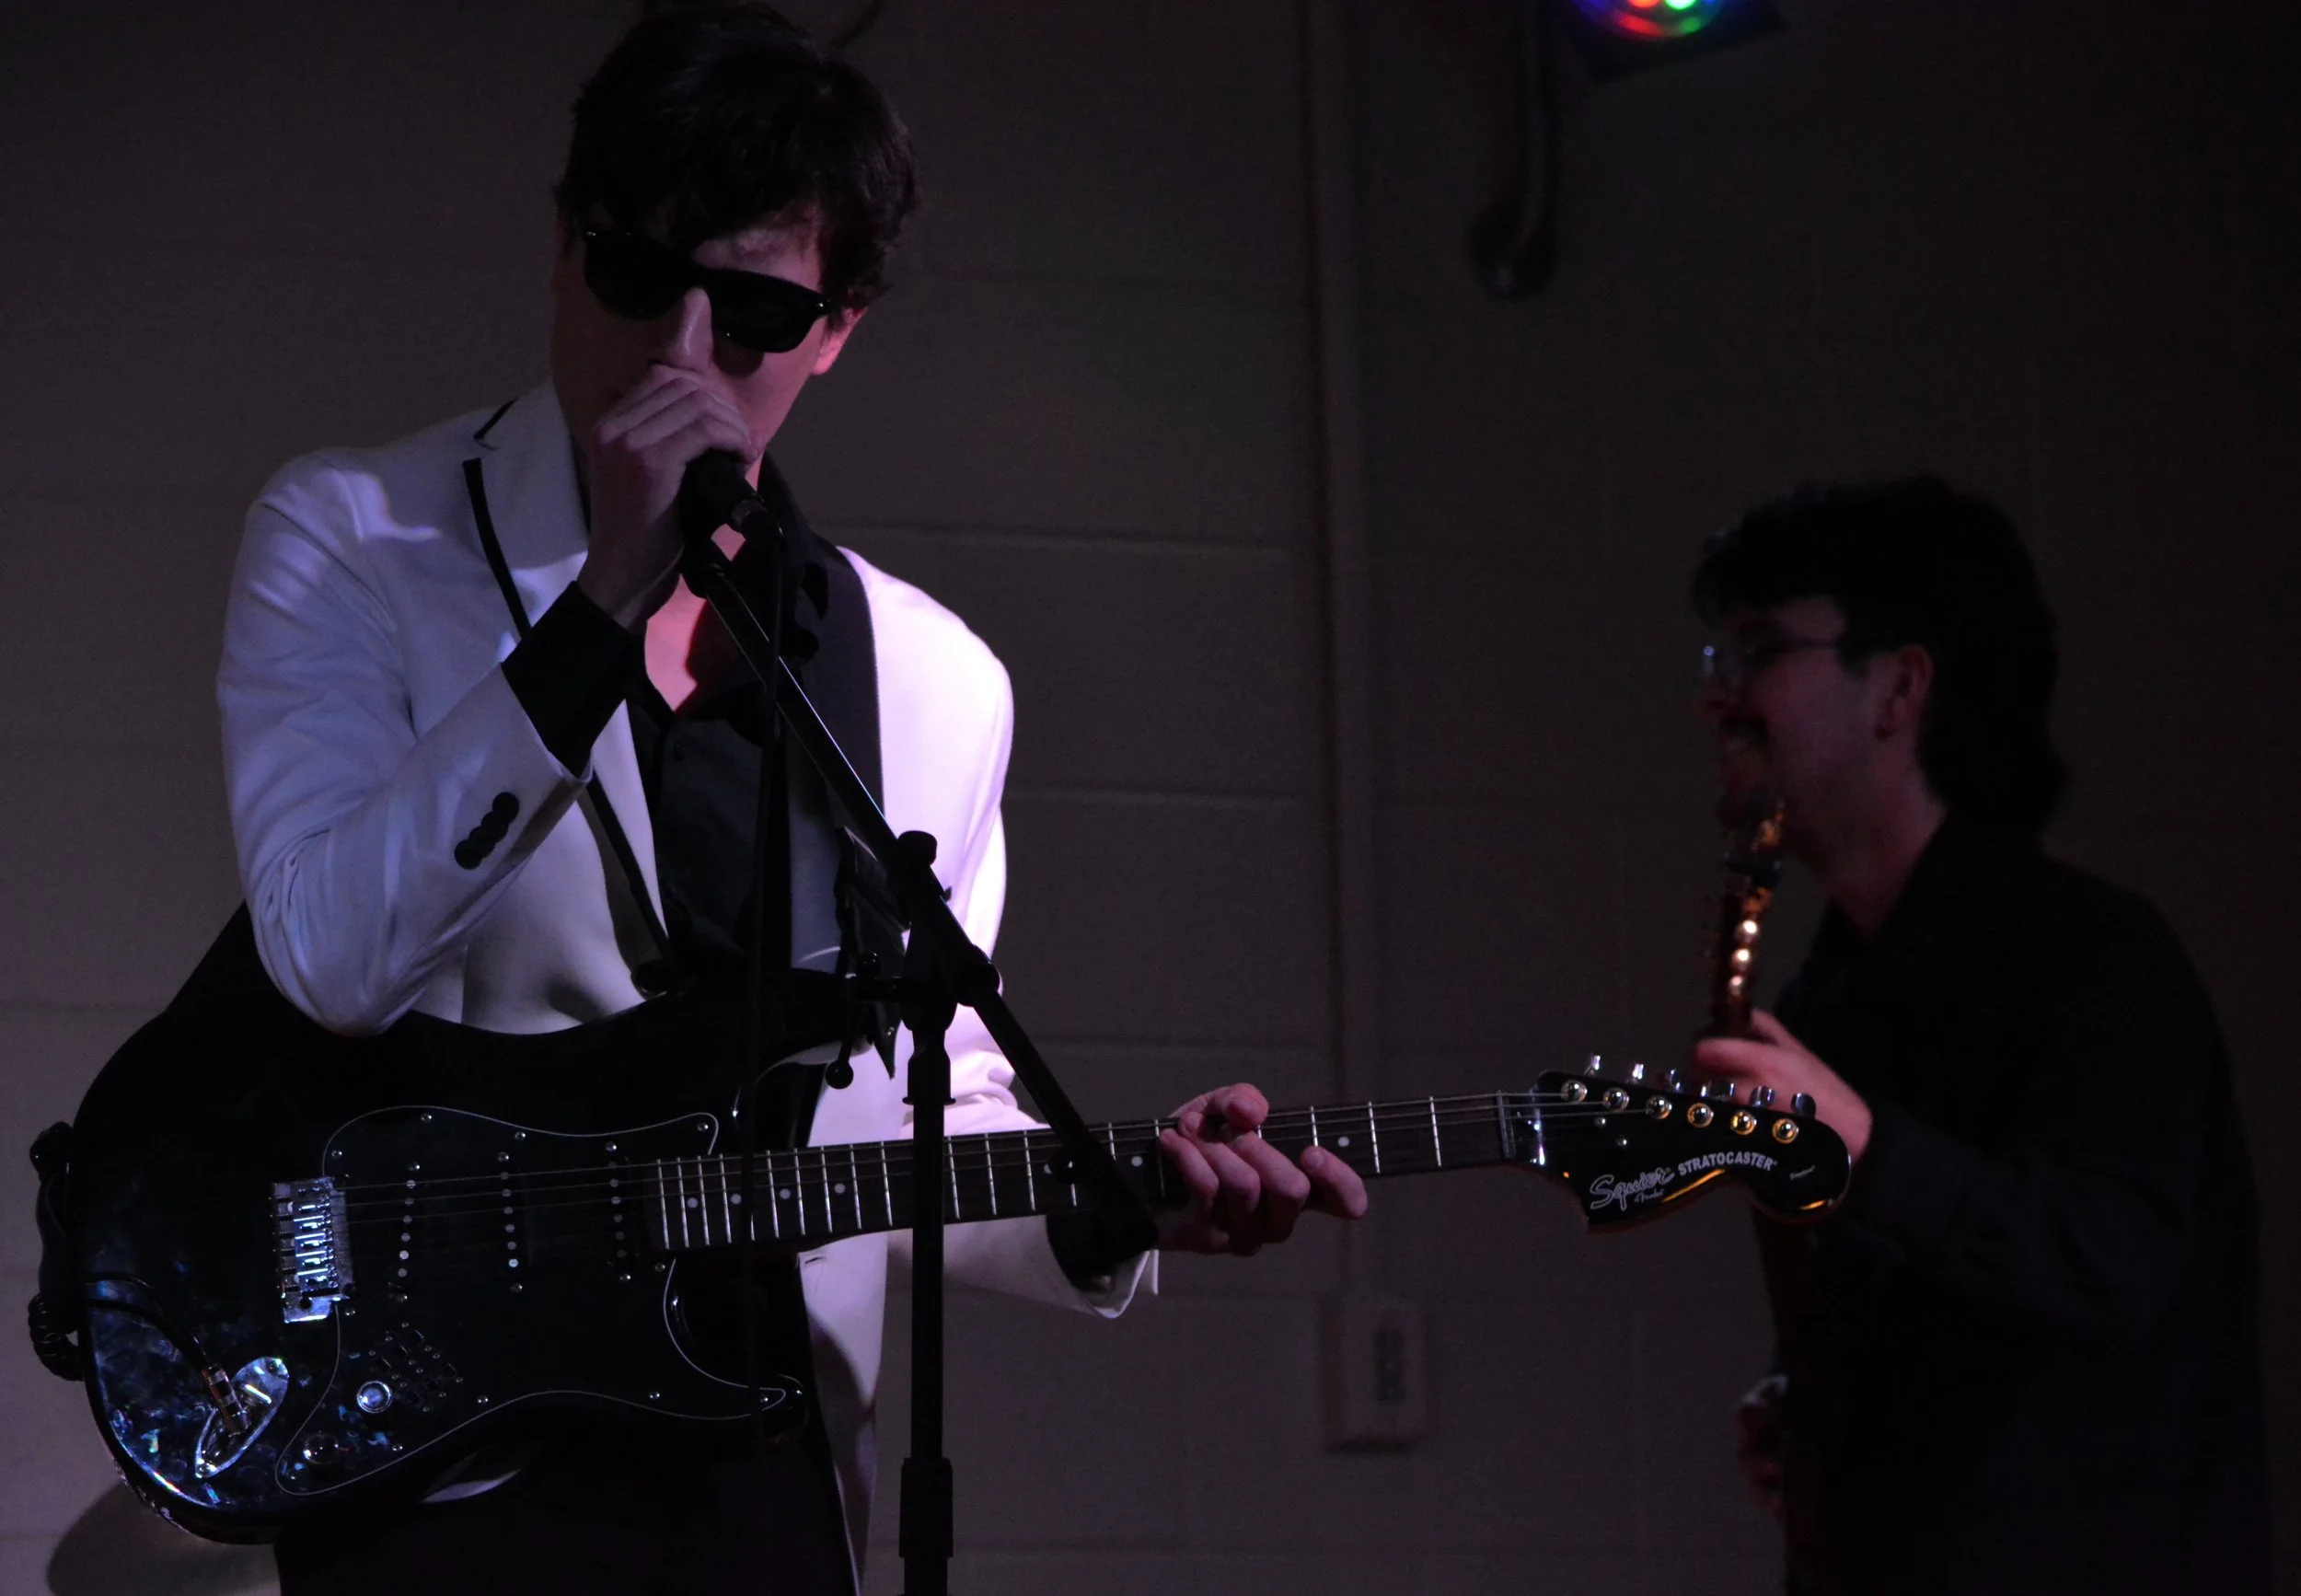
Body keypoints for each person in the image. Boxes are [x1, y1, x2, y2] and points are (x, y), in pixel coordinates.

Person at [216, 6, 1365, 1591]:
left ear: (837, 326)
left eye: (753, 312)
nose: (681, 358)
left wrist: (1119, 1199)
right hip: (443, 1451)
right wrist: (600, 607)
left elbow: (908, 1114)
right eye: (636, 278)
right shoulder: (356, 538)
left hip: (760, 1469)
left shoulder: (929, 677)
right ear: (562, 245)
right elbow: (330, 956)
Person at [1685, 479, 2268, 1595]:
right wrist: (1812, 1406)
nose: (1718, 697)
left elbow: (2115, 1269)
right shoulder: (1827, 1004)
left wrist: (1866, 1152)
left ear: (1899, 686)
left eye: (1757, 650)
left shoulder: (2095, 957)